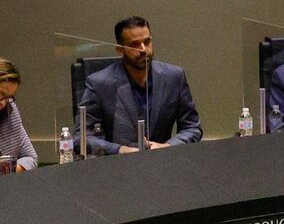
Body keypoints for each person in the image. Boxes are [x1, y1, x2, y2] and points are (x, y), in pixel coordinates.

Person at [81, 16, 205, 151]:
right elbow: (82, 137)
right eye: (135, 44)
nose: (144, 49)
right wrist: (119, 150)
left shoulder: (174, 77)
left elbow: (192, 127)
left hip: (163, 162)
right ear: (120, 50)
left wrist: (167, 146)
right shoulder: (99, 84)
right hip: (118, 165)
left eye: (147, 42)